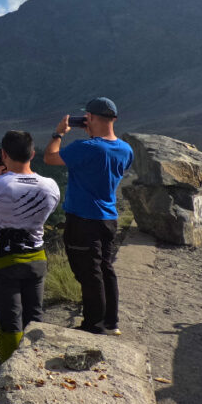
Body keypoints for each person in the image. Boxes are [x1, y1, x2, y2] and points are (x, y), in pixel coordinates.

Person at [0, 130, 60, 395]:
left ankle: (11, 382)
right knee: (34, 320)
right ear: (33, 154)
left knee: (9, 325)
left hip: (1, 265)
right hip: (37, 261)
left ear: (3, 155)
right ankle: (34, 371)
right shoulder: (50, 186)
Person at [43, 96, 133, 335]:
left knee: (89, 273)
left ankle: (93, 326)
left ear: (90, 117)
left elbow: (50, 157)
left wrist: (58, 133)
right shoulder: (126, 149)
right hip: (108, 218)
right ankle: (111, 322)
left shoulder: (86, 148)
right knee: (105, 268)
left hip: (83, 220)